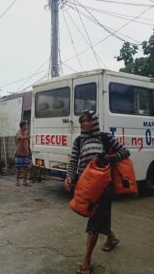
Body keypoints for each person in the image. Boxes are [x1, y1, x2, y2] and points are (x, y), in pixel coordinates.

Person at [64, 110, 130, 274]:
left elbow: (125, 152)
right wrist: (70, 176)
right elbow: (74, 161)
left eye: (88, 121)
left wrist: (109, 157)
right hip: (86, 186)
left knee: (94, 221)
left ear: (94, 121)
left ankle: (86, 263)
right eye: (82, 122)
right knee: (100, 216)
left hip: (104, 186)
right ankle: (111, 238)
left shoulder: (104, 137)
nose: (85, 124)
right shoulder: (79, 141)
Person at [15, 120, 31, 186]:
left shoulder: (26, 133)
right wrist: (28, 137)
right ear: (22, 126)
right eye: (26, 125)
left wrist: (30, 152)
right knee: (18, 168)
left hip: (26, 153)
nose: (27, 126)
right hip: (19, 153)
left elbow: (28, 144)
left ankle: (24, 181)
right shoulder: (18, 133)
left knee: (26, 168)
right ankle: (17, 181)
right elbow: (21, 138)